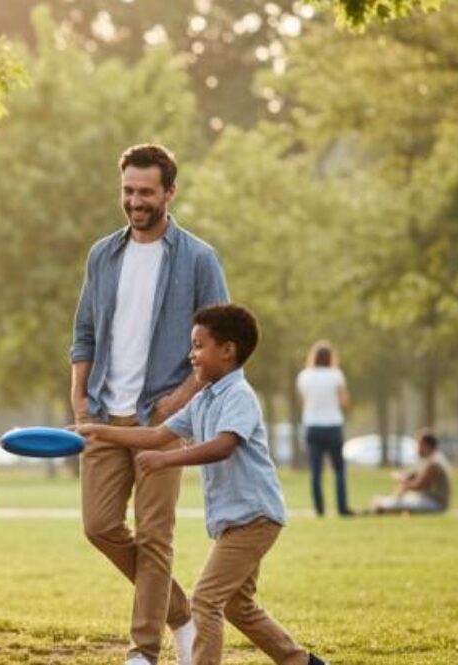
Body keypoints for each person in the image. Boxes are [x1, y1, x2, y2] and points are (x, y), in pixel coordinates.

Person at [73, 304, 326, 665]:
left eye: (198, 346)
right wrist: (97, 430)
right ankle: (302, 662)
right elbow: (158, 433)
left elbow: (224, 445)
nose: (191, 355)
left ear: (228, 350)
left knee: (205, 602)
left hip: (254, 517)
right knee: (239, 607)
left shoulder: (238, 395)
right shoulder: (204, 399)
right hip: (236, 519)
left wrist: (166, 459)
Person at [70, 143, 228, 665]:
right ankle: (178, 611)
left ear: (169, 193)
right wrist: (80, 400)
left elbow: (221, 346)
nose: (135, 201)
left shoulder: (199, 259)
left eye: (146, 192)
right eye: (128, 191)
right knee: (99, 526)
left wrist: (177, 403)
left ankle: (143, 651)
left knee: (155, 536)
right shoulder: (102, 255)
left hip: (162, 423)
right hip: (103, 415)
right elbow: (86, 333)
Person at [297, 340, 352, 516]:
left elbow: (304, 401)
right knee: (339, 470)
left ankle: (319, 510)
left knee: (315, 471)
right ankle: (342, 508)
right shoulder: (336, 375)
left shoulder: (304, 376)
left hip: (312, 425)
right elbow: (344, 401)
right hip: (333, 425)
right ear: (331, 358)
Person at [371, 430, 451, 515]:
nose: (417, 448)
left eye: (419, 444)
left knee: (382, 504)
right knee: (384, 501)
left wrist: (403, 483)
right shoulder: (431, 459)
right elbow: (415, 475)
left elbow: (420, 485)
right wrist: (405, 479)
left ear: (427, 446)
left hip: (435, 503)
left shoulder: (434, 463)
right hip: (428, 499)